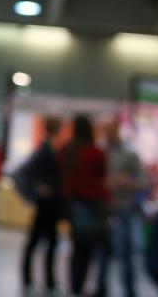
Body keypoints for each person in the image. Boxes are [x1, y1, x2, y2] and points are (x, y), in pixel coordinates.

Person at [60, 114, 108, 297]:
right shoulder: (95, 152)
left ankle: (76, 287)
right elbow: (102, 175)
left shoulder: (67, 151)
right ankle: (93, 287)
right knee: (95, 249)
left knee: (78, 248)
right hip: (94, 205)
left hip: (74, 204)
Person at [19, 115, 64, 297]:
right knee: (43, 241)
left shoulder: (49, 148)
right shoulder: (46, 149)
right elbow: (26, 172)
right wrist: (38, 189)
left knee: (44, 241)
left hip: (49, 204)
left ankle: (43, 280)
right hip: (47, 203)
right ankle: (39, 280)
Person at [99, 120, 145, 297]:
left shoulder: (129, 155)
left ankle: (129, 290)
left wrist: (128, 182)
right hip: (104, 209)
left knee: (125, 254)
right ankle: (101, 288)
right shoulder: (100, 153)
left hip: (123, 209)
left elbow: (143, 181)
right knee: (102, 254)